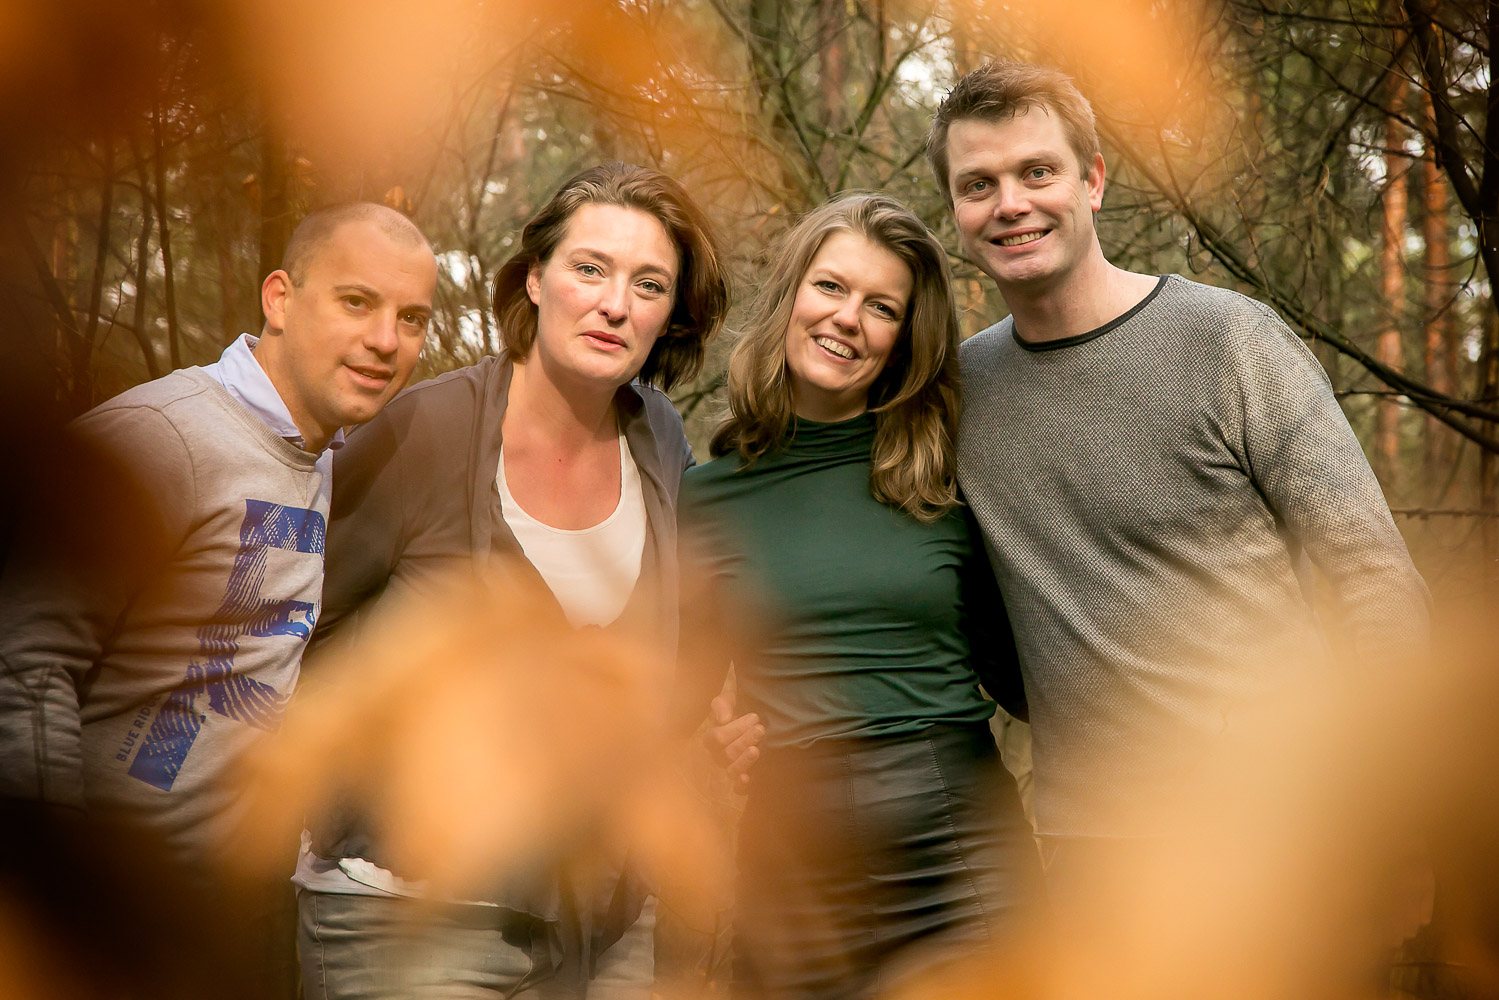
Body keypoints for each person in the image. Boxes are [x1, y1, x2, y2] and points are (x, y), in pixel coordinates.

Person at [921, 62, 1430, 869]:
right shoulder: (958, 394)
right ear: (955, 211)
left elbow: (1374, 578)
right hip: (1090, 849)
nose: (1010, 203)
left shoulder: (1230, 343)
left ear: (1092, 181)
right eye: (978, 183)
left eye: (1037, 172)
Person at [292, 161, 730, 999]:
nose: (615, 304)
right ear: (534, 279)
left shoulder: (660, 439)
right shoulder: (421, 432)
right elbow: (291, 641)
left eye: (649, 285)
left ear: (671, 314)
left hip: (605, 925)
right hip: (411, 916)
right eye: (590, 269)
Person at [0, 202, 438, 995]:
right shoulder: (163, 436)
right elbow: (23, 662)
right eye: (356, 302)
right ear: (279, 298)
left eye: (412, 318)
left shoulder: (316, 453)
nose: (386, 341)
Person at [679, 192, 1041, 1000]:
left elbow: (1029, 658)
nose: (848, 319)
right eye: (832, 288)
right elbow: (678, 685)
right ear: (791, 297)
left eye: (882, 307)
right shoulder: (704, 498)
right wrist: (714, 742)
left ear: (903, 338)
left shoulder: (952, 472)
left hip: (960, 842)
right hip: (793, 863)